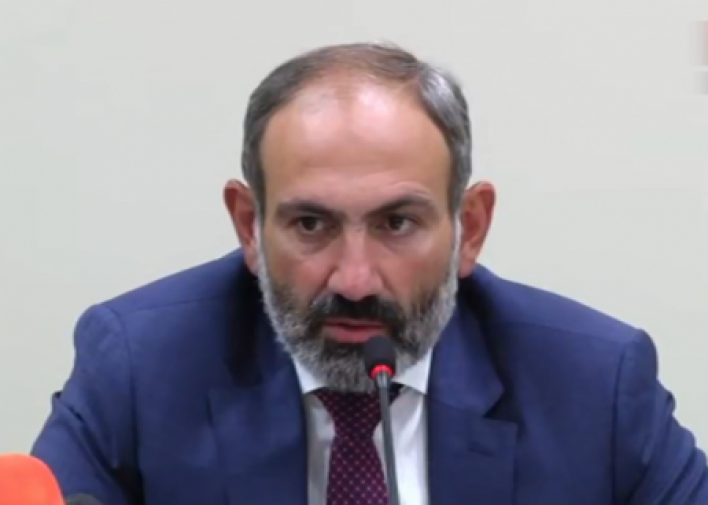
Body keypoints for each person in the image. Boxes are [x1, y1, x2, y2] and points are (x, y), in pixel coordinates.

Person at [32, 42, 707, 505]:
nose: (354, 280)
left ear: (469, 228)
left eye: (397, 223)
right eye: (310, 224)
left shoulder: (595, 383)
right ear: (248, 226)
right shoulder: (139, 367)